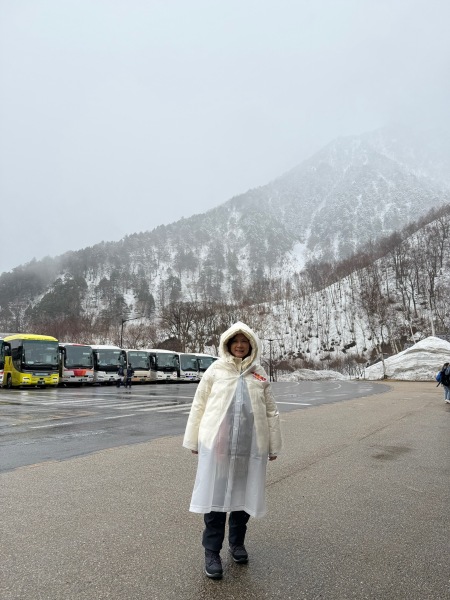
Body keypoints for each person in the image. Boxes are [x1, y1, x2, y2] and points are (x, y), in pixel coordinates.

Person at [183, 322, 282, 580]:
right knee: (215, 499)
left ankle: (237, 543)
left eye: (244, 341)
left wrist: (273, 445)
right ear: (227, 344)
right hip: (219, 448)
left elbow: (271, 411)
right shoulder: (216, 370)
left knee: (243, 496)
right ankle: (212, 552)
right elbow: (199, 404)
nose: (240, 345)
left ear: (252, 345)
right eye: (235, 341)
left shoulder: (258, 374)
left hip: (250, 447)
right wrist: (194, 440)